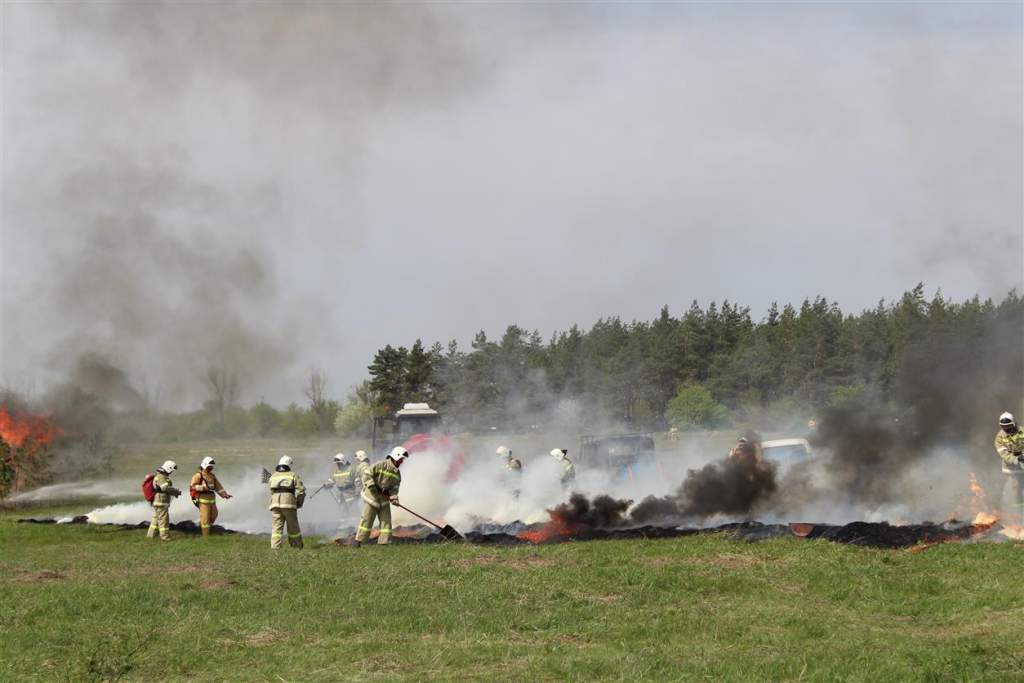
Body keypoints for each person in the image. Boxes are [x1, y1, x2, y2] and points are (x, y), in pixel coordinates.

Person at [353, 447, 407, 546]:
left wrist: (394, 498)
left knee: (386, 522)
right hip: (371, 497)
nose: (402, 462)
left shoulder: (397, 474)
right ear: (396, 457)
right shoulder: (380, 465)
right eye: (401, 459)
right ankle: (359, 541)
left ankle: (384, 542)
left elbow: (394, 489)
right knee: (367, 520)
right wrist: (372, 486)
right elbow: (367, 474)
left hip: (384, 500)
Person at [268, 455, 305, 549]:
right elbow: (301, 491)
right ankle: (296, 547)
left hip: (275, 503)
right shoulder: (292, 475)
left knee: (276, 528)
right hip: (288, 502)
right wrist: (299, 503)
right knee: (293, 527)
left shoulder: (273, 475)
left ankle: (275, 548)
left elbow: (271, 490)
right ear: (289, 465)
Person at [190, 456, 232, 537]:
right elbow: (192, 487)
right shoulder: (198, 475)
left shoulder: (212, 476)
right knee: (205, 518)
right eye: (210, 466)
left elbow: (218, 487)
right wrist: (203, 488)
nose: (211, 468)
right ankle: (206, 536)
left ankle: (204, 528)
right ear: (205, 465)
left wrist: (225, 494)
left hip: (212, 500)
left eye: (212, 466)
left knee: (214, 515)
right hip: (203, 500)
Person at [995, 412, 1024, 527]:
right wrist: (1017, 459)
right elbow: (1004, 455)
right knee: (1015, 493)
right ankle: (1018, 517)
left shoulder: (1022, 431)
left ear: (1014, 424)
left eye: (1009, 426)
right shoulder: (999, 438)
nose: (1007, 429)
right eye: (1004, 427)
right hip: (1013, 471)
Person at [148, 460, 181, 542]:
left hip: (159, 502)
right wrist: (176, 491)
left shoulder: (160, 476)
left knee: (156, 519)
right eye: (172, 470)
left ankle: (150, 535)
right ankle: (165, 538)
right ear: (169, 468)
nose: (172, 472)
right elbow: (165, 488)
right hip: (161, 502)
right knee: (164, 520)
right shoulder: (161, 476)